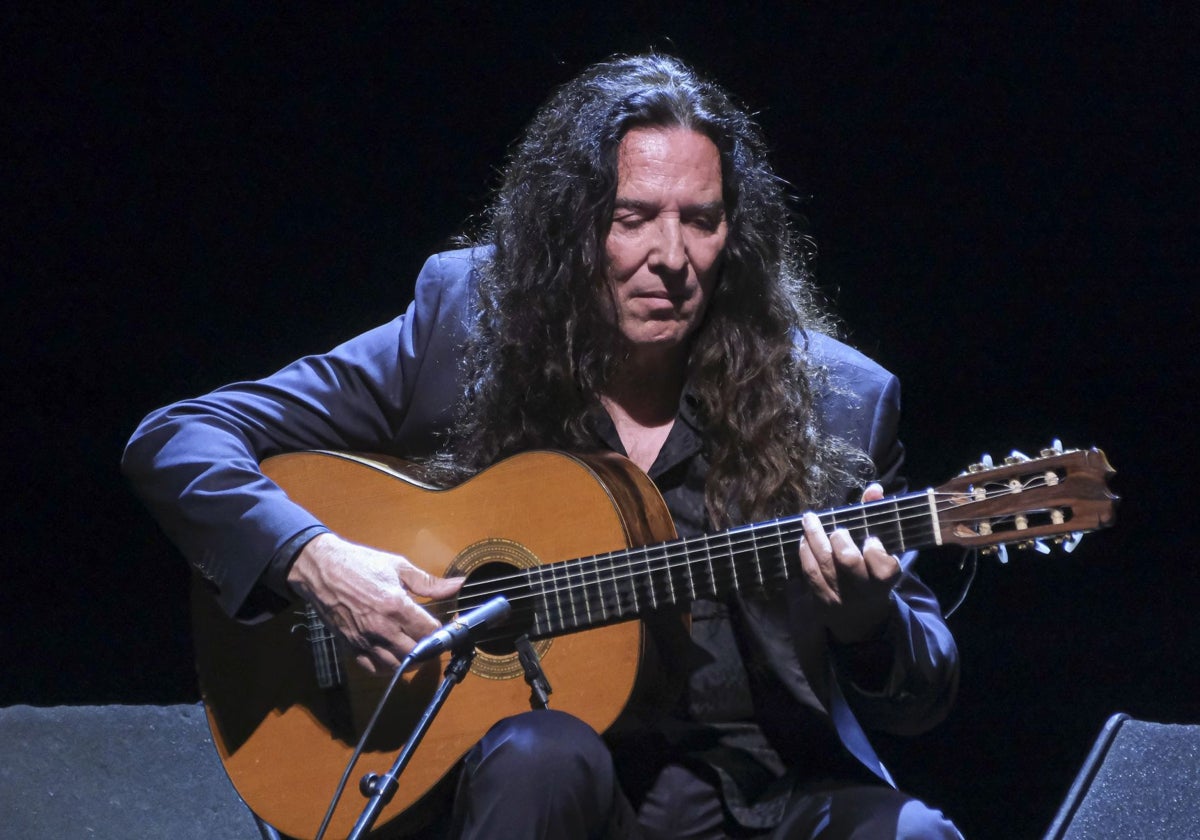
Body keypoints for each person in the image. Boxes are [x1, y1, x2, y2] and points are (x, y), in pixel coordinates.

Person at [123, 53, 962, 839]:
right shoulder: (466, 326)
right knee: (542, 756)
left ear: (732, 237)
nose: (670, 257)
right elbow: (179, 438)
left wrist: (867, 625)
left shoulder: (838, 398)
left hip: (764, 797)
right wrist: (318, 561)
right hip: (543, 790)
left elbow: (923, 693)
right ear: (571, 226)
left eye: (700, 222)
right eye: (633, 219)